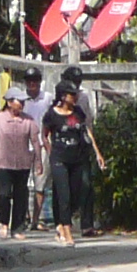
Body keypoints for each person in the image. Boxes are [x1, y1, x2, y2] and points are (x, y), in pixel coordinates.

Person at [44, 72, 104, 244]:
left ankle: (64, 225)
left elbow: (86, 132)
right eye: (72, 94)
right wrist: (50, 151)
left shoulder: (77, 112)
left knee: (76, 193)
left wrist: (97, 152)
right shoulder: (52, 114)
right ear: (63, 96)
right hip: (59, 158)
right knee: (63, 194)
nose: (76, 96)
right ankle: (66, 230)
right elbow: (45, 134)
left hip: (77, 158)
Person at [0, 85, 43, 237]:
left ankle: (17, 227)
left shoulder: (28, 120)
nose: (22, 105)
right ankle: (4, 222)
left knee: (21, 196)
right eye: (19, 101)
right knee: (4, 194)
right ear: (10, 102)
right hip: (3, 163)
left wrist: (38, 161)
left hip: (23, 164)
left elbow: (35, 141)